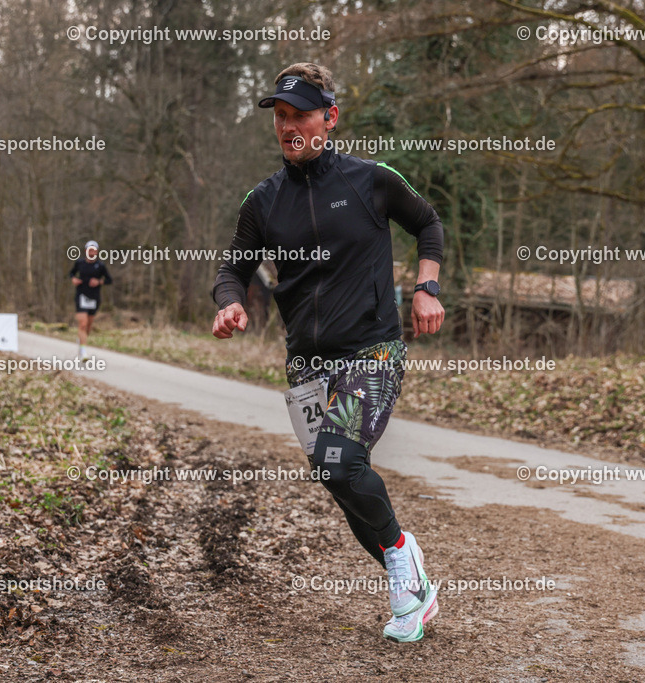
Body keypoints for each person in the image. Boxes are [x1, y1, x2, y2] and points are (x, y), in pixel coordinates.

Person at [211, 63, 445, 643]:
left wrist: (426, 287)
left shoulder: (372, 181)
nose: (289, 127)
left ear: (330, 118)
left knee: (340, 461)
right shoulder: (262, 201)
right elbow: (232, 268)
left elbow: (429, 224)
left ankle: (400, 552)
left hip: (373, 350)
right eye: (281, 118)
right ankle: (411, 589)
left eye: (301, 116)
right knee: (336, 473)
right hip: (307, 361)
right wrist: (229, 302)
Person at [69, 240, 112, 358]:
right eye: (90, 250)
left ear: (97, 252)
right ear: (86, 251)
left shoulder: (100, 266)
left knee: (88, 326)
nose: (92, 252)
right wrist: (73, 279)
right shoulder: (80, 263)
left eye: (94, 250)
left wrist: (99, 281)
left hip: (94, 297)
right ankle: (83, 352)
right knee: (82, 323)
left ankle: (82, 340)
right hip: (81, 295)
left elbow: (109, 280)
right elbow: (71, 273)